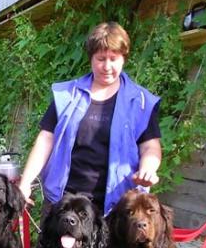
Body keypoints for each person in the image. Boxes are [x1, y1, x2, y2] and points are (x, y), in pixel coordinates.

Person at [18, 21, 162, 221]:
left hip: (118, 207)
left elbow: (150, 147)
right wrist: (25, 183)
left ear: (124, 58)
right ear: (91, 59)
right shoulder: (67, 95)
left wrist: (148, 168)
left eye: (113, 58)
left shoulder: (141, 101)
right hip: (65, 204)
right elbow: (45, 140)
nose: (107, 66)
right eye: (100, 58)